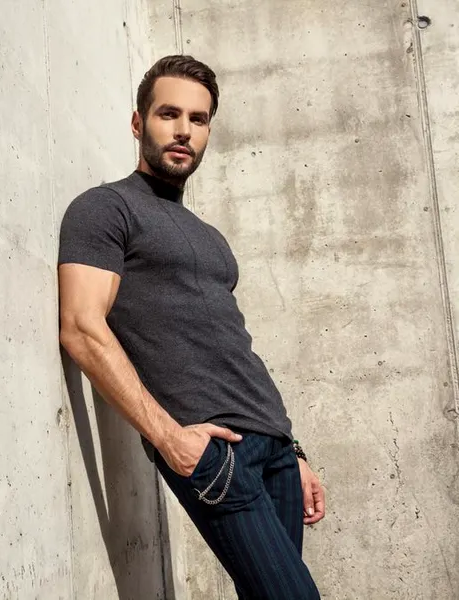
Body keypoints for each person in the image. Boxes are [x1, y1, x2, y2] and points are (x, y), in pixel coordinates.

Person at [57, 55, 325, 599]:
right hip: (214, 453)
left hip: (275, 451)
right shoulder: (105, 209)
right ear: (138, 123)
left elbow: (234, 348)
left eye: (198, 119)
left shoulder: (209, 237)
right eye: (169, 114)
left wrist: (291, 447)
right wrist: (169, 439)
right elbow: (82, 328)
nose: (184, 130)